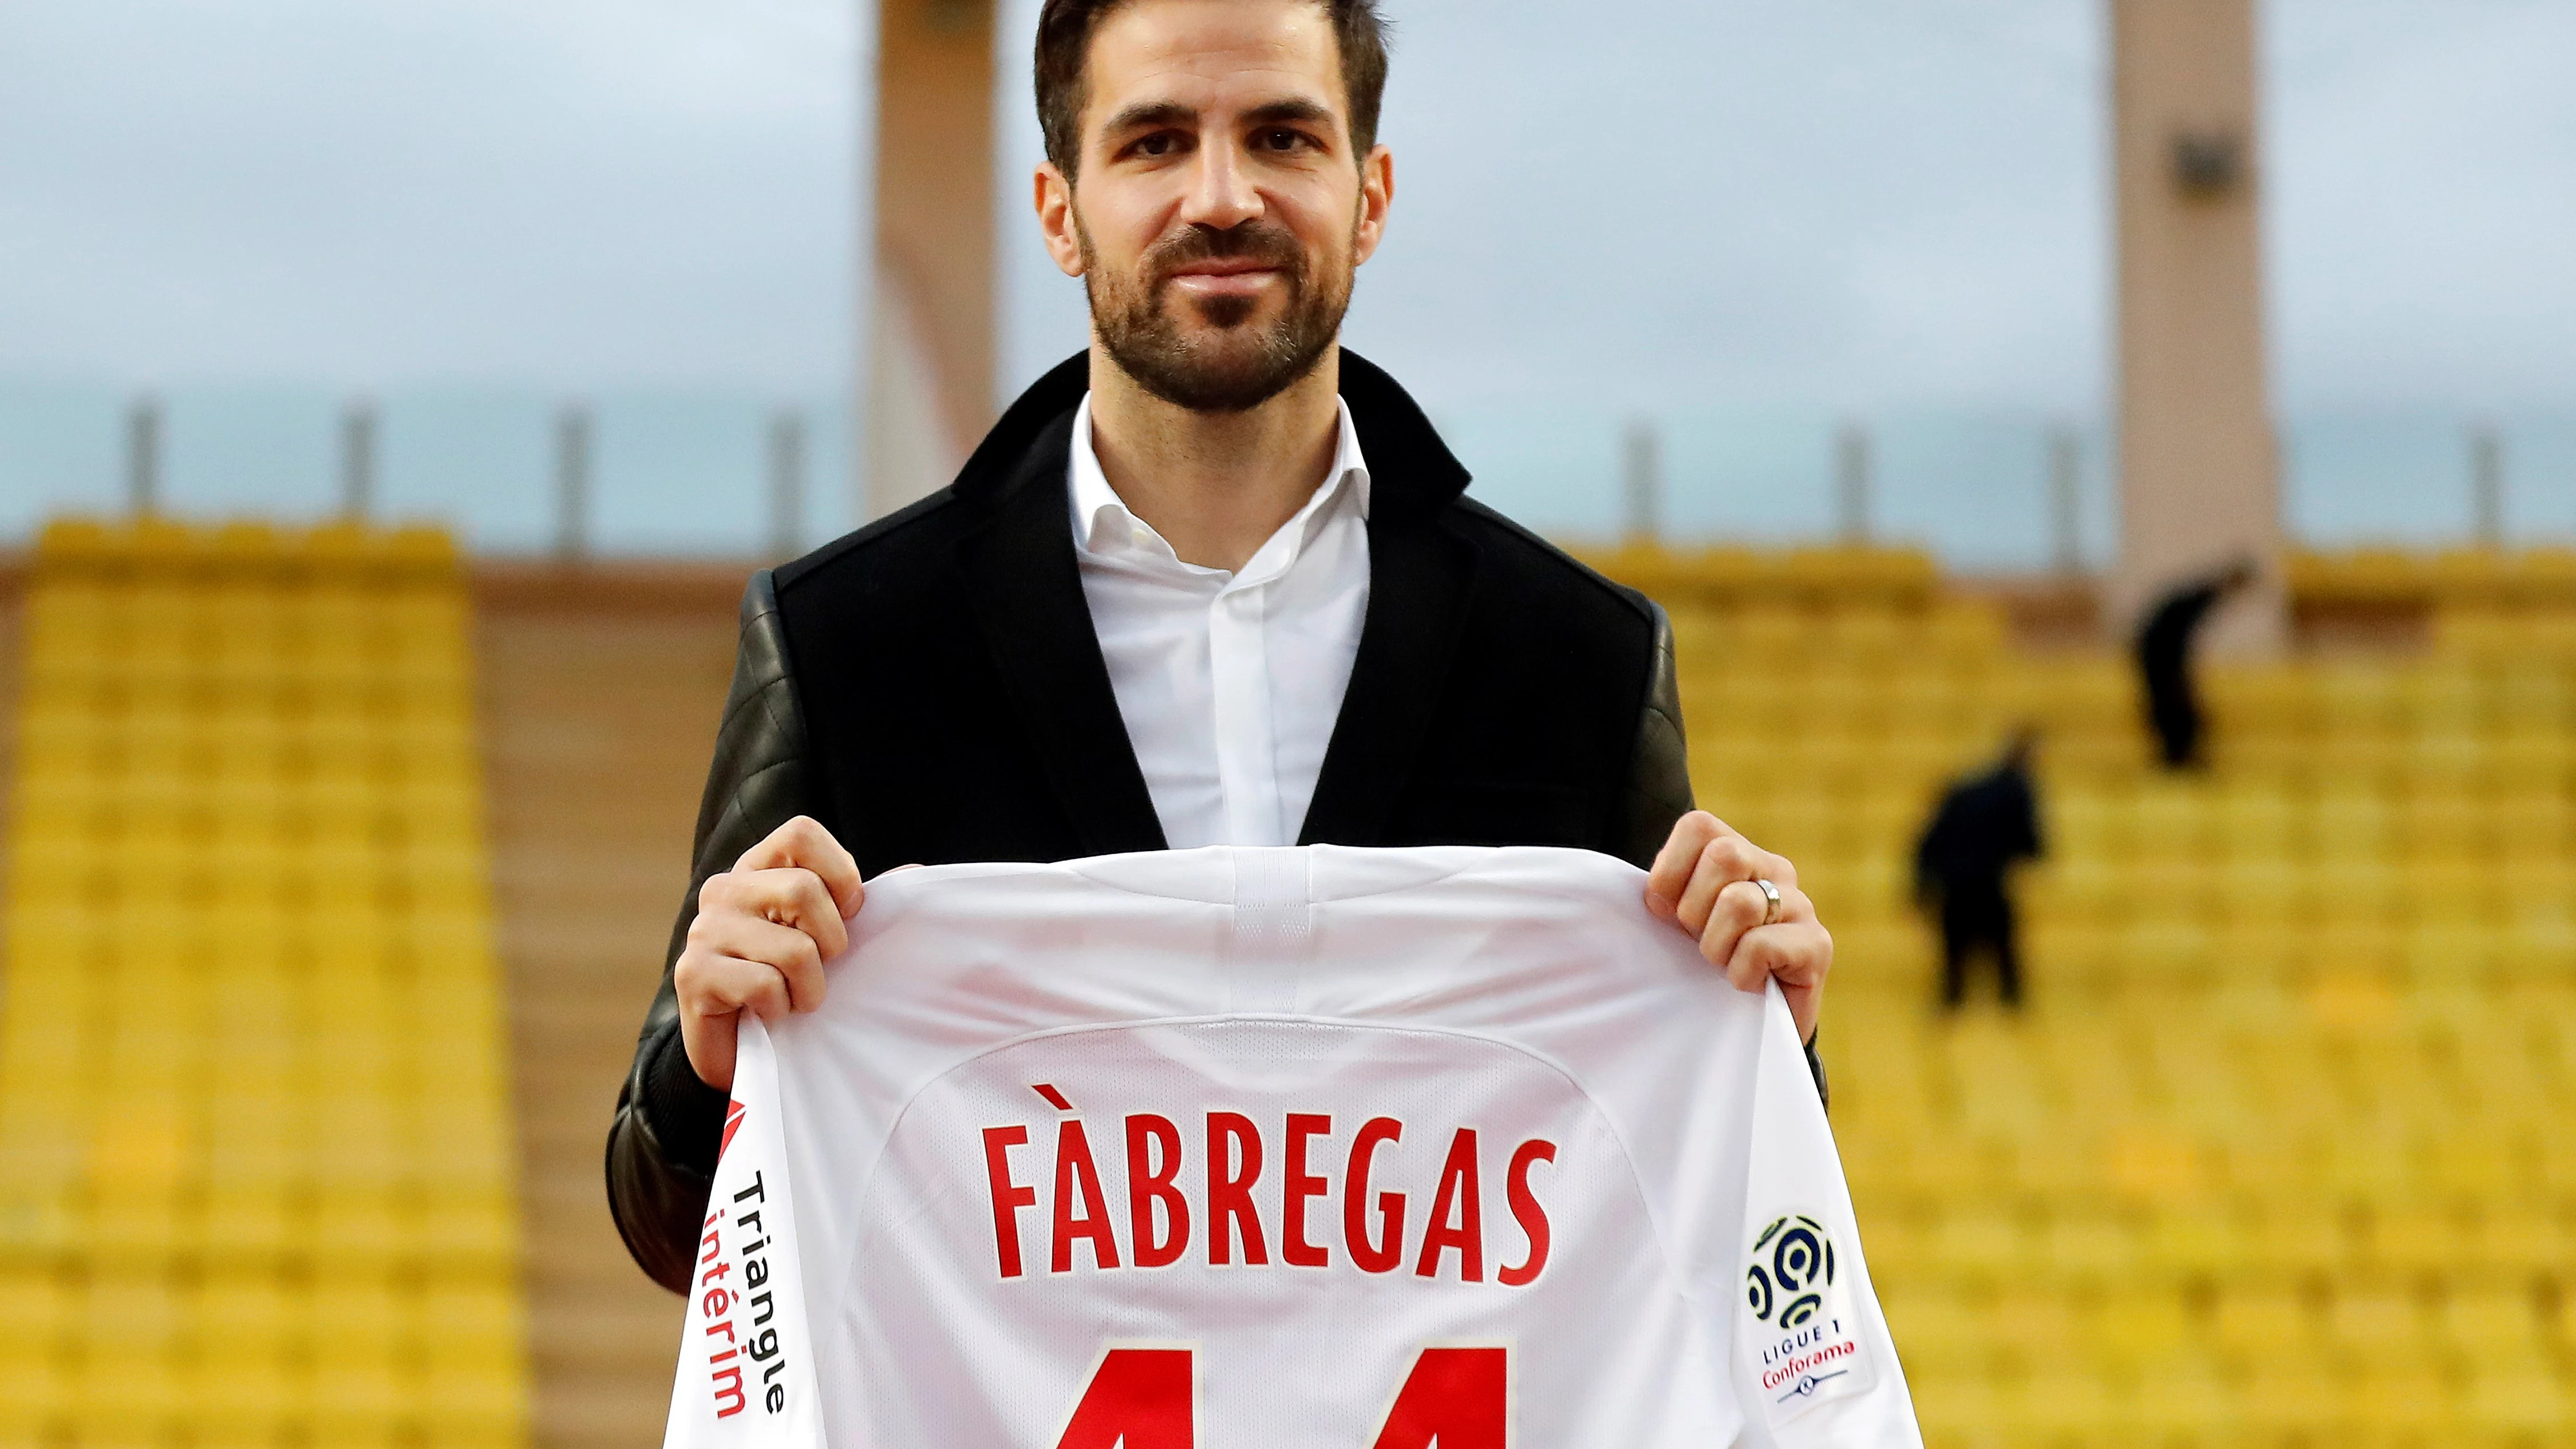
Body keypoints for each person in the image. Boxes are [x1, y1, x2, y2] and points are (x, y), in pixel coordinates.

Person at [603, 0, 1838, 1293]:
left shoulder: (1575, 657)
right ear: (1055, 208)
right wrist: (705, 1064)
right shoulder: (846, 642)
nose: (1220, 196)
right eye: (1150, 143)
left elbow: (1688, 1221)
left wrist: (1765, 1041)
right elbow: (673, 1236)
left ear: (1368, 195)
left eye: (1281, 137)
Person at [1915, 729, 2044, 1009]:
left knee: (1955, 966)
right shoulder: (2017, 790)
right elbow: (2032, 844)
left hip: (1954, 887)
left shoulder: (1965, 790)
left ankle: (1954, 1011)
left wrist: (1921, 884)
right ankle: (2010, 1009)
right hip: (1987, 886)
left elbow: (1930, 838)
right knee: (2004, 959)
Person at [2135, 557, 2258, 769]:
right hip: (2160, 658)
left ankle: (2178, 762)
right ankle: (2177, 764)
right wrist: (2178, 672)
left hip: (2161, 657)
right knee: (2175, 714)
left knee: (2176, 713)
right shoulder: (2202, 596)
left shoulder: (2201, 594)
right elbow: (2172, 634)